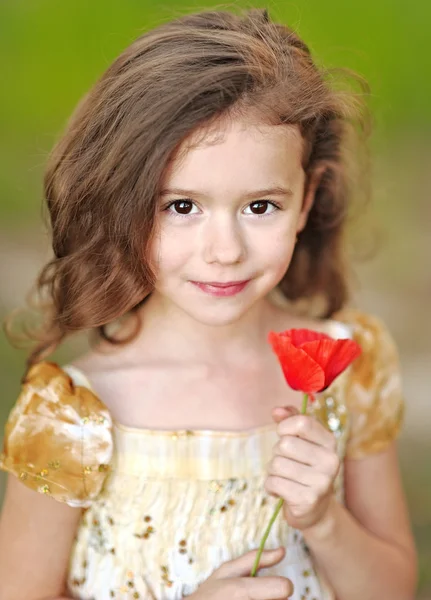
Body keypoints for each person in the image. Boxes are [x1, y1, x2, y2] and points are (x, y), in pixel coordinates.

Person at [0, 7, 417, 600]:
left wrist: (325, 521)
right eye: (181, 206)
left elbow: (393, 588)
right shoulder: (72, 415)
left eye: (260, 207)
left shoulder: (349, 366)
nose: (224, 251)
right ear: (125, 203)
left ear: (306, 200)